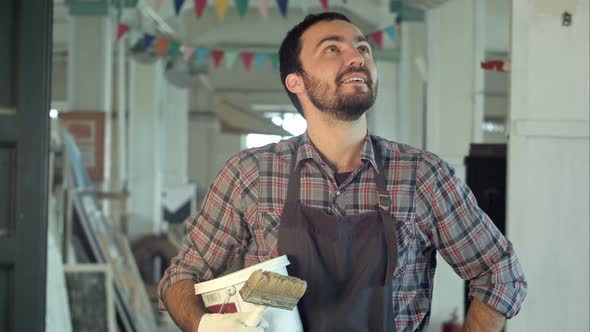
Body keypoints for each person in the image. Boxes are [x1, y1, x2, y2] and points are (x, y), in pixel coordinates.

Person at [158, 12, 527, 332]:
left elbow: (499, 273)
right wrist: (206, 325)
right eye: (332, 49)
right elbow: (180, 278)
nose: (356, 57)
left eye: (363, 48)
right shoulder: (249, 174)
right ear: (296, 81)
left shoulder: (423, 176)